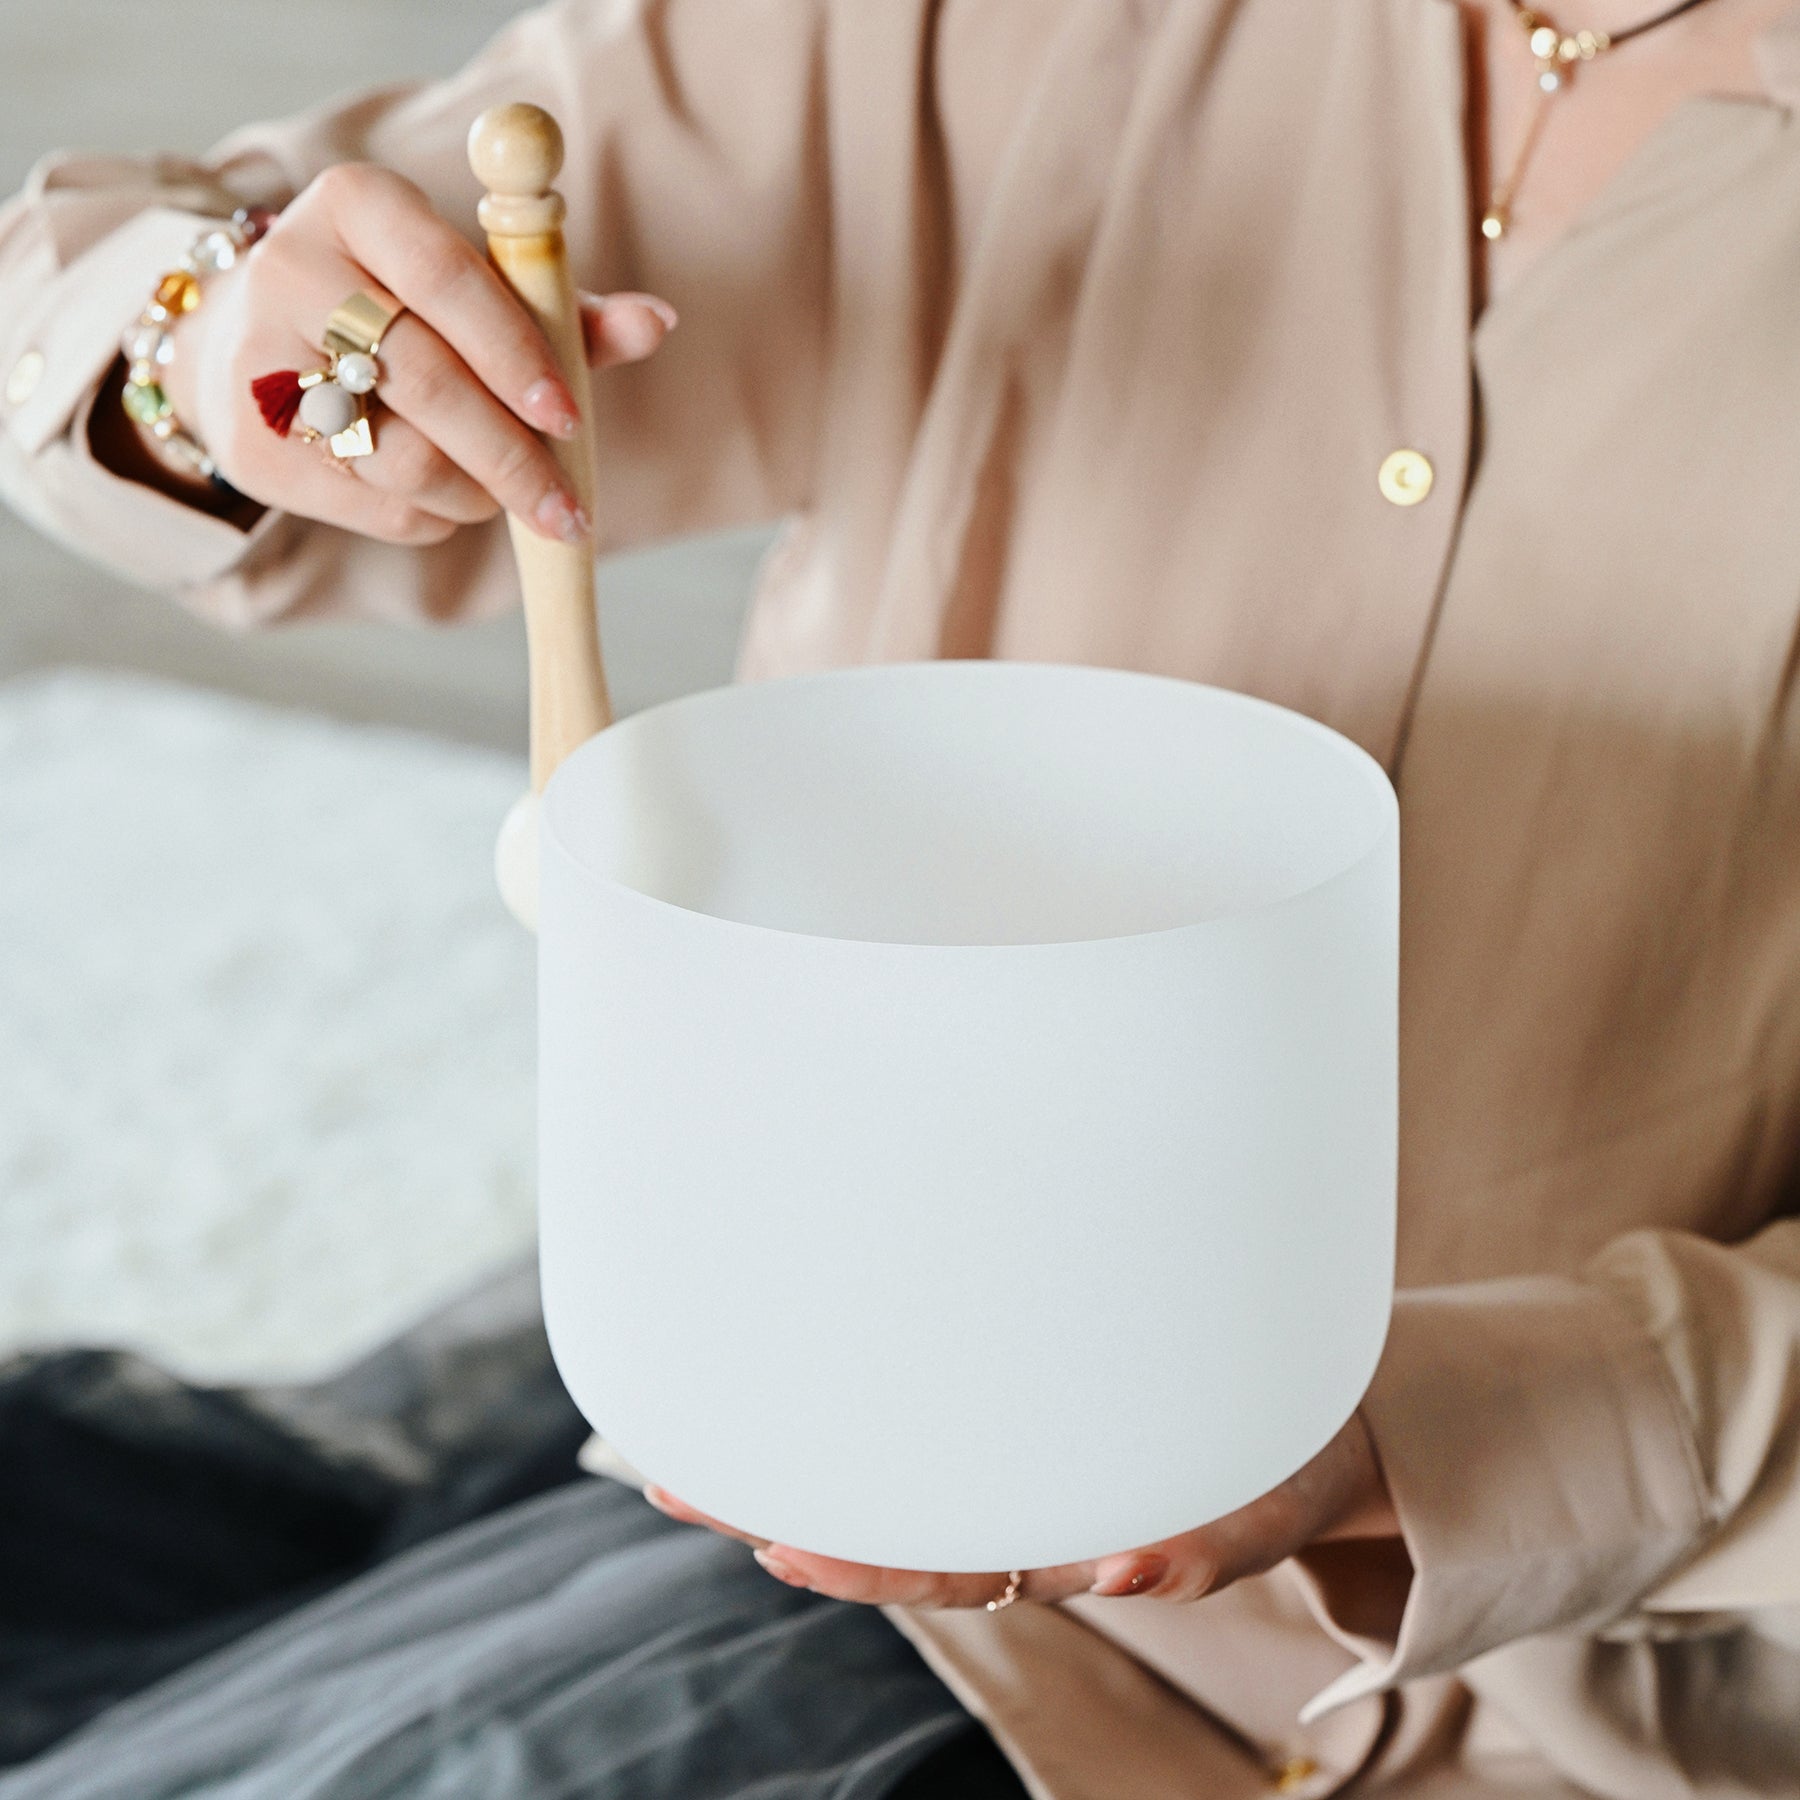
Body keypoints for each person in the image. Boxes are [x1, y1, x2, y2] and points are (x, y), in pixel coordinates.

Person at [1, 0, 1797, 1793]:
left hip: (1546, 1670)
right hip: (795, 1328)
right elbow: (131, 312)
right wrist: (236, 358)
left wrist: (1458, 1433)